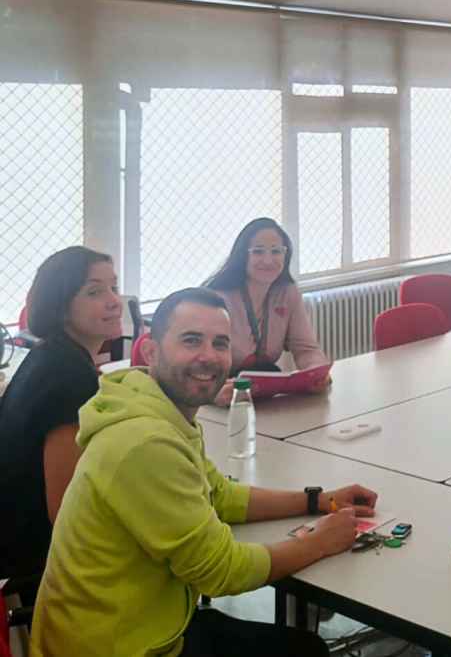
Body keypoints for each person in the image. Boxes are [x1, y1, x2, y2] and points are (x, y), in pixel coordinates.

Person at [29, 288, 379, 657]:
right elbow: (222, 570)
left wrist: (317, 500)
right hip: (118, 647)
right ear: (150, 351)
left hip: (144, 623)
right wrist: (319, 542)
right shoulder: (145, 441)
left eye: (220, 343)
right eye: (191, 341)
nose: (208, 357)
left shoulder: (156, 407)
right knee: (301, 650)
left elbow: (219, 494)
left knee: (297, 645)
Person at [0, 247, 122, 586]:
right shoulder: (69, 379)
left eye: (114, 286)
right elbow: (65, 510)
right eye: (95, 292)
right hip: (24, 552)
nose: (115, 300)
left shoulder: (51, 357)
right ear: (61, 306)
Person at [204, 218, 329, 405]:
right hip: (218, 397)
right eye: (258, 251)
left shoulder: (288, 292)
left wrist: (317, 374)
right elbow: (197, 360)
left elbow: (306, 348)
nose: (268, 260)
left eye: (276, 251)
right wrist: (211, 394)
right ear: (242, 256)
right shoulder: (216, 298)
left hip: (263, 397)